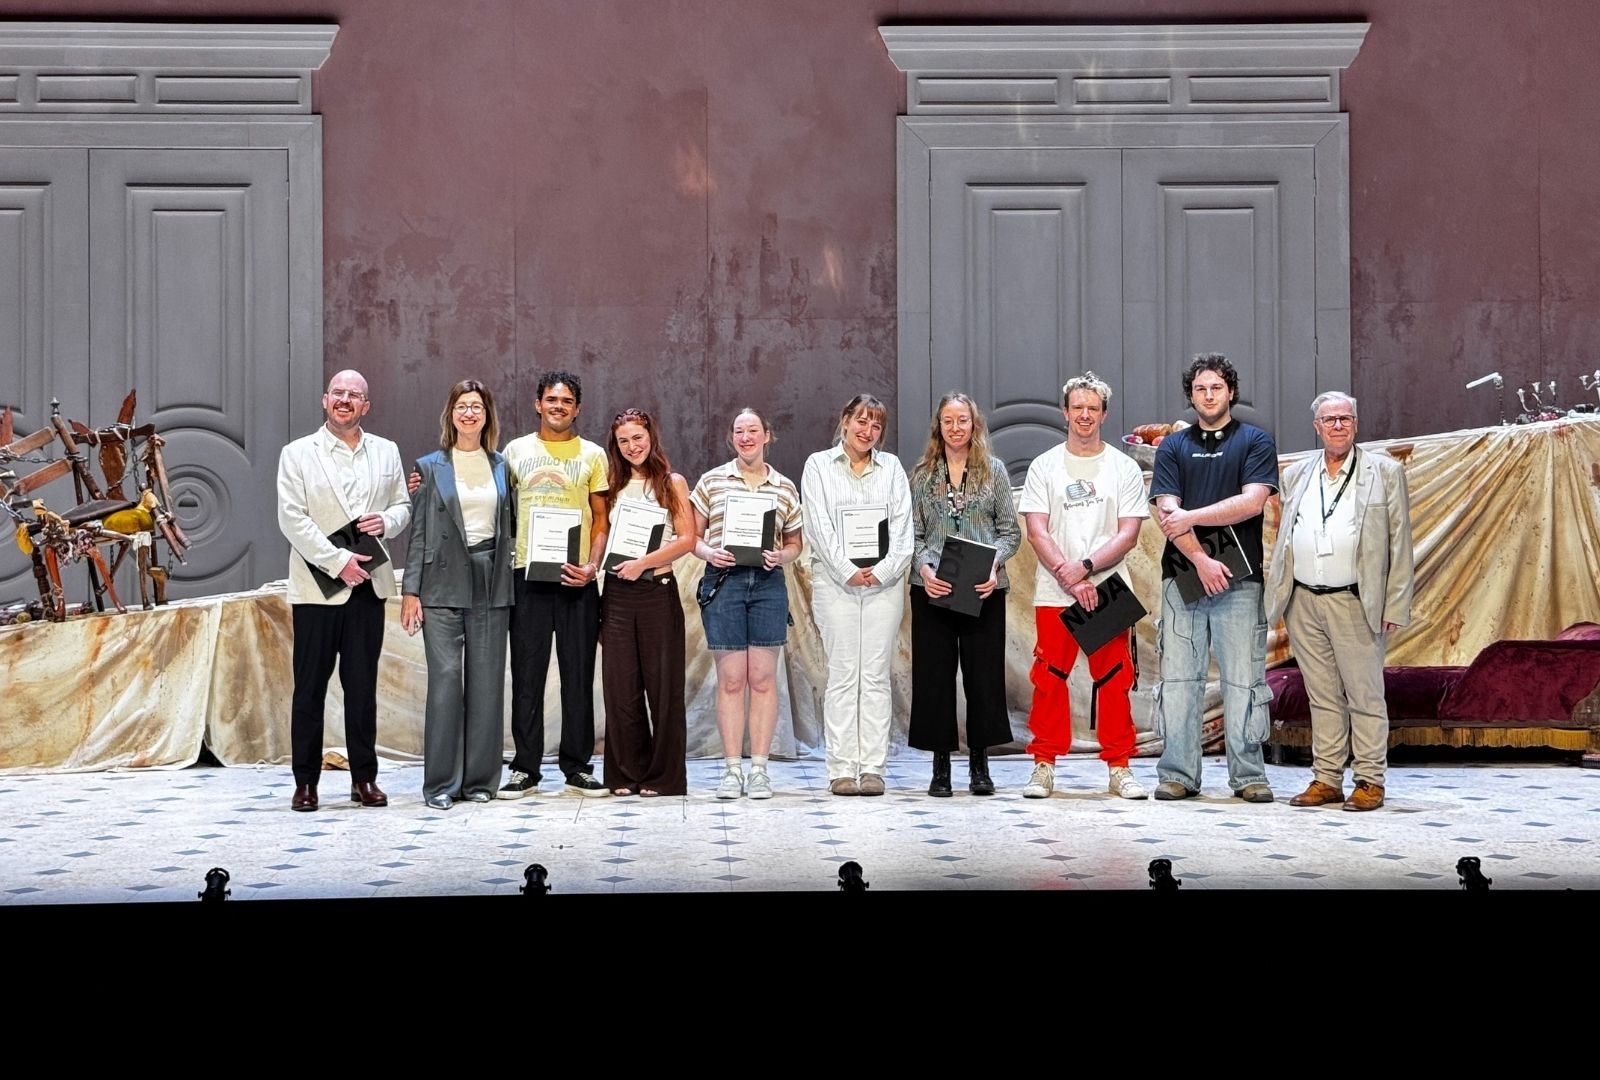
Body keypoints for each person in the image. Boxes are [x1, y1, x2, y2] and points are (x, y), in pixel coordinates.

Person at [1265, 391, 1414, 811]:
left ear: (1356, 424)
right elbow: (1285, 536)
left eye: (1344, 418)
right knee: (1322, 695)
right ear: (1316, 427)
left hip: (1356, 599)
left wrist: (1394, 604)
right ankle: (1326, 778)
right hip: (1303, 601)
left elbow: (1400, 543)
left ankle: (1369, 779)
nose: (1336, 426)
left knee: (1364, 694)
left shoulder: (1384, 472)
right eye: (1328, 420)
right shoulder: (1297, 474)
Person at [276, 369, 411, 812]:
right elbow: (293, 519)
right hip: (318, 589)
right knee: (309, 689)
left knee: (362, 688)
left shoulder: (387, 451)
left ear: (366, 406)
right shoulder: (297, 454)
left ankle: (364, 780)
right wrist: (338, 562)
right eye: (339, 393)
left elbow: (402, 506)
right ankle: (306, 783)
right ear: (324, 400)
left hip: (368, 588)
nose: (346, 400)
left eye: (355, 395)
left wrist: (387, 523)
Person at [1151, 353, 1280, 802]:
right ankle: (1178, 775)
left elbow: (1252, 502)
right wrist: (1202, 560)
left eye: (1217, 388)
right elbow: (1166, 513)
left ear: (1231, 392)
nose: (1209, 395)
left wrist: (1192, 516)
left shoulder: (1256, 441)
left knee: (1244, 681)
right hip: (1182, 577)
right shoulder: (1171, 446)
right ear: (1191, 396)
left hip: (1241, 581)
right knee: (1180, 680)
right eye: (1201, 389)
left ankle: (1249, 777)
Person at [1017, 373, 1150, 800]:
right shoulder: (1045, 466)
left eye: (1093, 408)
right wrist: (1068, 576)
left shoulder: (1124, 467)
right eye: (1078, 408)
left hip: (1109, 587)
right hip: (1055, 590)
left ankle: (1119, 766)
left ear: (1104, 414)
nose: (1085, 415)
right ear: (1065, 412)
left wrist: (1087, 568)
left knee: (1114, 678)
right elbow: (1036, 530)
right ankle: (1043, 764)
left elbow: (1128, 534)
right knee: (1049, 677)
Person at [400, 380, 516, 810]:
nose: (469, 414)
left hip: (491, 582)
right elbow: (419, 534)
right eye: (462, 407)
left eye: (477, 407)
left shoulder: (502, 466)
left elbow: (512, 527)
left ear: (487, 416)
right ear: (450, 414)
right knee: (446, 683)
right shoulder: (429, 467)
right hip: (441, 584)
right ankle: (441, 785)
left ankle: (481, 782)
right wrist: (411, 590)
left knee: (487, 685)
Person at [500, 372, 610, 798]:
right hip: (526, 577)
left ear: (577, 408)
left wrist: (592, 566)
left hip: (576, 579)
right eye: (551, 399)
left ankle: (578, 766)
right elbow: (496, 507)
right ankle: (525, 767)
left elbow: (601, 519)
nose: (558, 406)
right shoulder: (515, 451)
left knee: (578, 676)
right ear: (537, 403)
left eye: (566, 401)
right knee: (527, 676)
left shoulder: (593, 455)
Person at [907, 392, 1020, 796]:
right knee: (934, 677)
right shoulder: (922, 474)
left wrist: (994, 566)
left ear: (975, 425)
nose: (956, 428)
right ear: (938, 426)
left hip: (983, 588)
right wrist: (923, 568)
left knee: (983, 677)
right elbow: (914, 536)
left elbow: (1010, 532)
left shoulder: (995, 471)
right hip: (933, 587)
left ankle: (980, 762)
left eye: (963, 421)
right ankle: (940, 766)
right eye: (948, 421)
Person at [801, 394, 915, 797]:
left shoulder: (893, 468)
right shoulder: (817, 465)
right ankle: (842, 768)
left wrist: (880, 572)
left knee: (876, 675)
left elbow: (904, 531)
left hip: (884, 587)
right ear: (845, 421)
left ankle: (873, 768)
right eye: (861, 422)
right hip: (835, 585)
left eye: (876, 426)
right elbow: (817, 525)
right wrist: (848, 571)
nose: (867, 432)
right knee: (844, 675)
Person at [690, 408, 804, 800]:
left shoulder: (784, 487)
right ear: (731, 437)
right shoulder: (712, 481)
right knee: (732, 679)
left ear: (767, 435)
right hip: (724, 583)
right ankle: (731, 770)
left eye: (753, 430)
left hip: (768, 584)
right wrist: (709, 553)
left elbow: (795, 544)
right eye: (739, 431)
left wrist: (781, 557)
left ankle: (759, 769)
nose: (746, 437)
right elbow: (693, 537)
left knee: (762, 679)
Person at [599, 409, 697, 797]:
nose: (632, 446)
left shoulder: (671, 482)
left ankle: (664, 777)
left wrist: (643, 563)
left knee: (663, 687)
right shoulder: (610, 484)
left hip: (658, 590)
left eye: (638, 438)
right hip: (619, 595)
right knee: (621, 688)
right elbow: (602, 533)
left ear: (651, 437)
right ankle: (626, 772)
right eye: (624, 441)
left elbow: (687, 538)